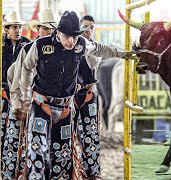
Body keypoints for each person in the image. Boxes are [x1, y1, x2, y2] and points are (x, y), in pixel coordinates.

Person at [13, 11, 130, 179]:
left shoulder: (81, 44)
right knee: (37, 153)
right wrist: (24, 98)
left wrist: (123, 54)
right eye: (67, 36)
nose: (71, 41)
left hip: (65, 109)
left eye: (75, 36)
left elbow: (99, 49)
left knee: (63, 156)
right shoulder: (40, 46)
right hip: (41, 106)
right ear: (58, 32)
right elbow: (26, 68)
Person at [5, 9, 57, 179]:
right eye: (45, 28)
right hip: (29, 103)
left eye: (51, 29)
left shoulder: (59, 50)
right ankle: (19, 173)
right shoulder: (27, 49)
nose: (48, 32)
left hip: (47, 106)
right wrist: (18, 103)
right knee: (21, 140)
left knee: (45, 144)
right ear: (38, 29)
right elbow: (14, 75)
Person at [1, 11, 31, 179]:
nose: (17, 30)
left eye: (19, 27)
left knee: (16, 131)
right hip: (3, 91)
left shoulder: (27, 45)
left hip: (17, 94)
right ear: (7, 29)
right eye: (14, 27)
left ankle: (16, 167)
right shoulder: (1, 45)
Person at [73, 15, 101, 179]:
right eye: (85, 27)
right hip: (71, 95)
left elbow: (93, 63)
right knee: (70, 133)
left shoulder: (94, 48)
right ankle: (74, 169)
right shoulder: (70, 44)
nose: (88, 30)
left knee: (91, 134)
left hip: (89, 94)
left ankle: (93, 171)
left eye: (91, 27)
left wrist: (85, 45)